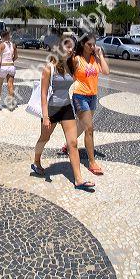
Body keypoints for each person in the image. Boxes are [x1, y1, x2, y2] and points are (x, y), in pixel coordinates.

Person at [31, 37, 95, 191]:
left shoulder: (72, 65)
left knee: (73, 143)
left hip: (66, 107)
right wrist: (45, 116)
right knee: (45, 138)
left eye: (72, 47)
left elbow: (89, 70)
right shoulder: (49, 67)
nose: (70, 50)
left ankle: (78, 180)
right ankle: (37, 161)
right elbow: (43, 94)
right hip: (52, 109)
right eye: (67, 47)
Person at [62, 32, 110, 175]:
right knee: (89, 128)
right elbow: (65, 65)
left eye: (94, 44)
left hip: (92, 97)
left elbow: (106, 71)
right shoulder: (77, 59)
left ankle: (68, 144)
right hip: (80, 96)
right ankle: (92, 162)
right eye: (90, 44)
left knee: (83, 126)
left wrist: (100, 55)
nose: (92, 47)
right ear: (83, 44)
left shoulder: (95, 59)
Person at [0, 30, 18, 110]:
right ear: (8, 36)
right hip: (11, 66)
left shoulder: (1, 45)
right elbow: (16, 57)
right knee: (10, 85)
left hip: (3, 67)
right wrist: (11, 61)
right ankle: (11, 105)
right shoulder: (13, 45)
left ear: (2, 37)